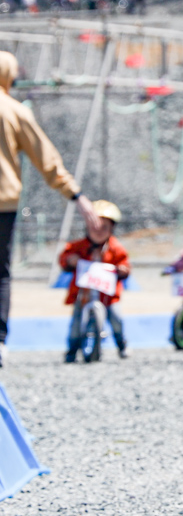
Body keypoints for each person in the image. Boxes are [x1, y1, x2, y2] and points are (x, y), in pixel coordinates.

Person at [0, 51, 101, 367]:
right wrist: (77, 196)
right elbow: (47, 160)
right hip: (3, 203)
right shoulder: (14, 111)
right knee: (0, 272)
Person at [59, 200, 130, 361]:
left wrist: (122, 270)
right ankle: (71, 350)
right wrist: (71, 260)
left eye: (104, 227)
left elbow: (124, 263)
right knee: (76, 324)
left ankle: (122, 344)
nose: (98, 231)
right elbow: (64, 258)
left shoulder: (115, 248)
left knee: (117, 319)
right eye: (95, 226)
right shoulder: (78, 246)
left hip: (108, 296)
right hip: (83, 295)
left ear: (112, 229)